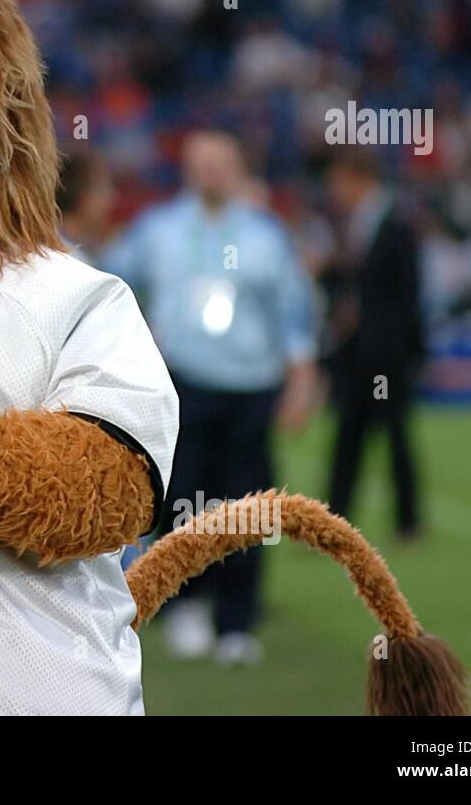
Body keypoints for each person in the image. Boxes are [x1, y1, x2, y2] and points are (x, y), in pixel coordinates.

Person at [102, 130, 317, 666]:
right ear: (187, 168)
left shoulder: (265, 234)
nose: (211, 172)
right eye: (201, 163)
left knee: (249, 508)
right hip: (183, 385)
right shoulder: (159, 230)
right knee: (182, 498)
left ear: (239, 166)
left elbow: (293, 311)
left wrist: (302, 380)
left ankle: (238, 619)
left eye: (222, 162)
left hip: (250, 388)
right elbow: (108, 282)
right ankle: (185, 605)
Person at [324, 149, 426, 540]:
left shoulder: (395, 224)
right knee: (348, 437)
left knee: (395, 436)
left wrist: (409, 351)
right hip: (358, 354)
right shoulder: (359, 224)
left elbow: (407, 295)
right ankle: (333, 522)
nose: (335, 191)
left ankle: (408, 522)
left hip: (386, 357)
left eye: (339, 181)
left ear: (358, 177)